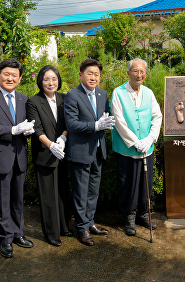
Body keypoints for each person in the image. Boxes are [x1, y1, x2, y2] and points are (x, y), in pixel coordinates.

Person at [0, 59, 35, 258]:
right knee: (1, 202)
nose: (10, 78)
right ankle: (5, 239)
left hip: (19, 157)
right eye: (6, 74)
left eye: (14, 75)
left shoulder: (24, 99)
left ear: (20, 78)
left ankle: (18, 233)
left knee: (18, 200)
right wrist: (13, 129)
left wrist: (28, 131)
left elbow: (26, 126)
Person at [64, 58, 115, 246]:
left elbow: (107, 116)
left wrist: (109, 122)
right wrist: (95, 125)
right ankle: (81, 227)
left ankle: (90, 222)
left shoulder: (102, 94)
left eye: (97, 74)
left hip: (98, 150)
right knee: (81, 191)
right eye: (90, 73)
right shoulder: (72, 95)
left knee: (93, 191)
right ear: (81, 75)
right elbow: (72, 123)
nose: (93, 77)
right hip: (80, 151)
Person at [111, 58, 162, 236]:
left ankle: (144, 213)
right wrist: (134, 141)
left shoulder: (149, 93)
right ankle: (129, 216)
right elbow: (119, 121)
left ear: (145, 74)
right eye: (135, 71)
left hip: (147, 148)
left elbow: (157, 116)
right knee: (128, 184)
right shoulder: (118, 93)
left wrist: (150, 139)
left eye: (141, 72)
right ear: (128, 73)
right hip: (126, 149)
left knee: (145, 183)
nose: (138, 74)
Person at [26, 65, 72, 246]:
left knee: (62, 192)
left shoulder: (64, 98)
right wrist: (51, 145)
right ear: (40, 81)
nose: (50, 83)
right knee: (48, 196)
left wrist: (62, 137)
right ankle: (51, 233)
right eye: (46, 79)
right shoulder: (34, 101)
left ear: (58, 80)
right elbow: (36, 128)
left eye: (54, 79)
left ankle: (64, 226)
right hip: (45, 154)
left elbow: (69, 121)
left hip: (62, 152)